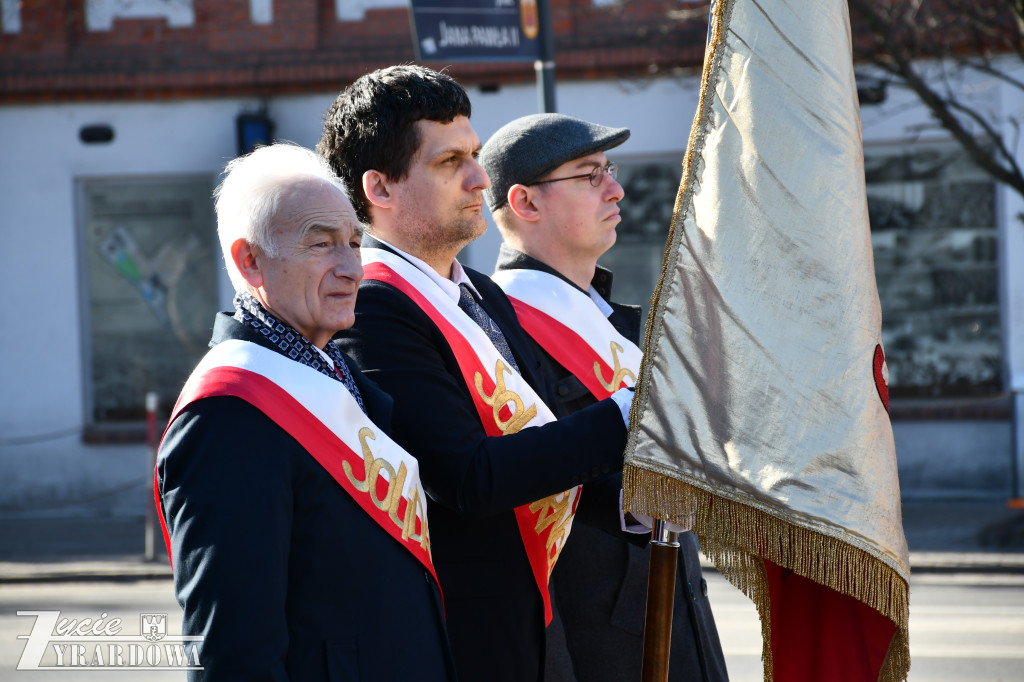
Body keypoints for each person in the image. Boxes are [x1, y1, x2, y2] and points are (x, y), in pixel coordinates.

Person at [318, 65, 641, 682]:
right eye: (449, 163)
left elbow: (545, 441)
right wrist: (635, 411)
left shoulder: (482, 296)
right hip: (463, 643)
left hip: (538, 629)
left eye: (474, 153)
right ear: (380, 189)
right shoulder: (372, 307)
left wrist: (631, 505)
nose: (479, 177)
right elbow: (465, 478)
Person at [155, 143, 457, 681]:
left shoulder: (338, 374)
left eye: (355, 243)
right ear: (251, 262)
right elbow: (234, 653)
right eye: (321, 244)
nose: (351, 268)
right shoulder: (228, 415)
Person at [481, 113, 730, 682]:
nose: (616, 188)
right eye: (590, 175)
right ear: (525, 202)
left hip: (672, 615)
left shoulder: (606, 317)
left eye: (609, 171)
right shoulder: (499, 330)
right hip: (598, 640)